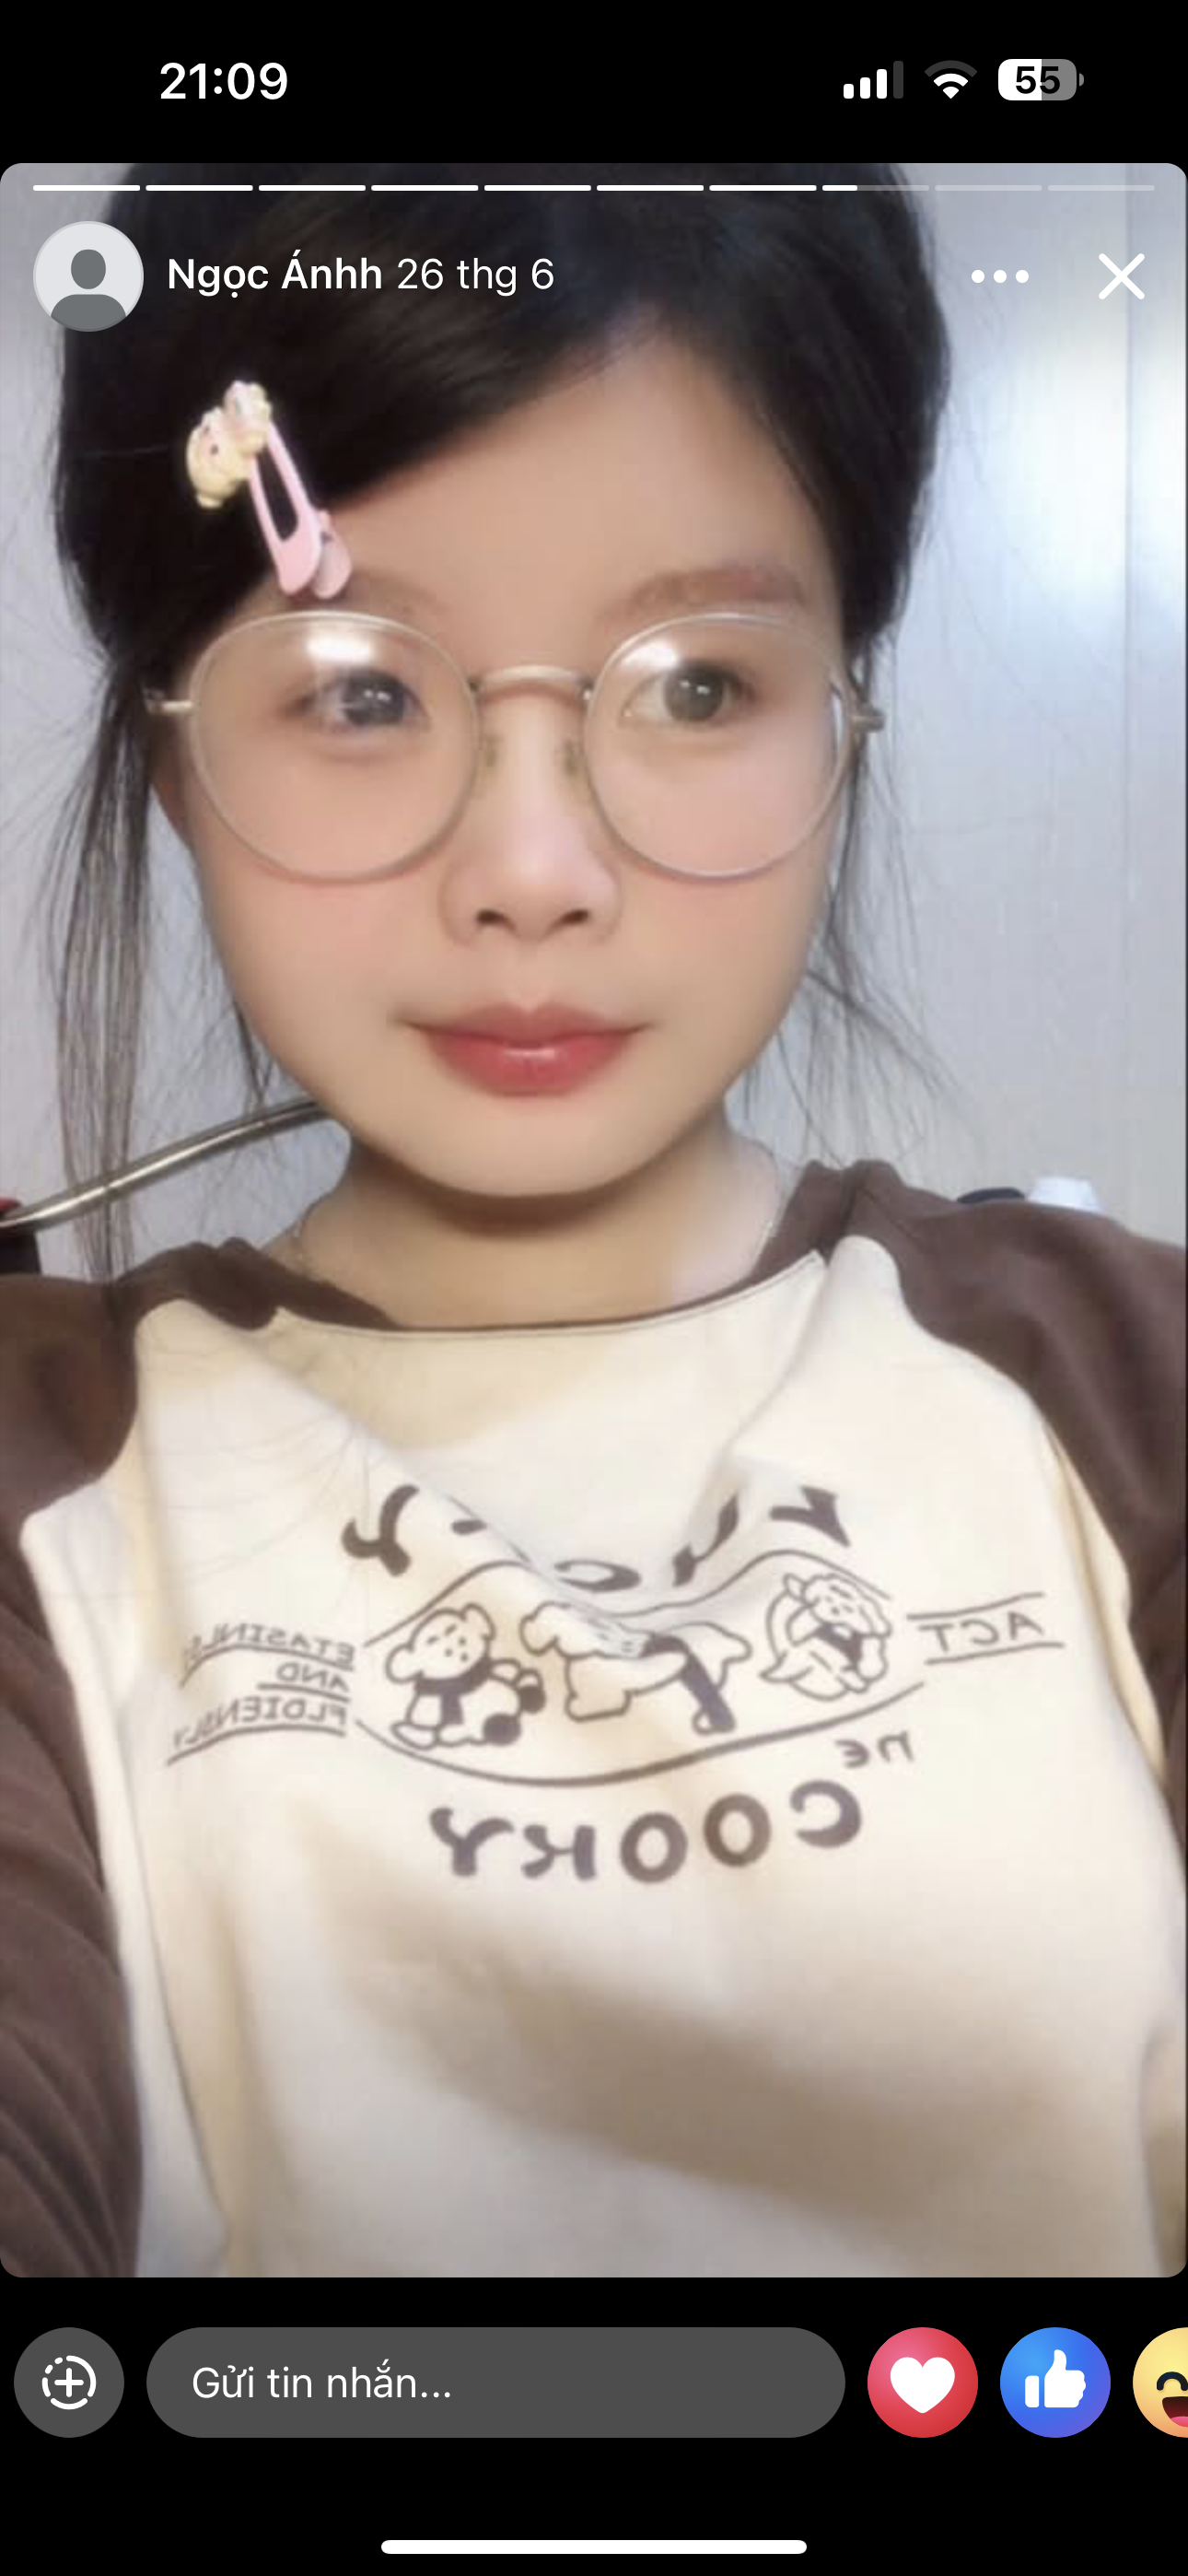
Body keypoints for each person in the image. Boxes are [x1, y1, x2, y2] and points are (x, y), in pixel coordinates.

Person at [0, 163, 1182, 2281]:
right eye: (362, 689)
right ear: (178, 758)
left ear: (845, 708)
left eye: (697, 686)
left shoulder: (1135, 1388)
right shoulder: (38, 1471)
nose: (532, 873)